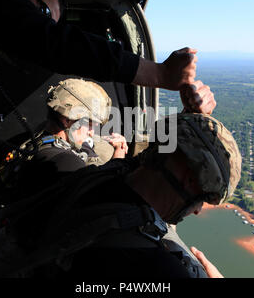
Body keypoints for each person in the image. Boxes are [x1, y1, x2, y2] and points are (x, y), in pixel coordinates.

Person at [0, 0, 211, 277]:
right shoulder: (57, 159)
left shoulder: (40, 145)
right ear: (69, 117)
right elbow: (49, 41)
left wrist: (184, 122)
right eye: (43, 13)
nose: (94, 134)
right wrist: (160, 76)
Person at [51, 113, 241, 279]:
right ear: (189, 180)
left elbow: (158, 157)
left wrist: (188, 128)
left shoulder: (101, 176)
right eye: (203, 199)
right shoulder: (158, 269)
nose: (199, 210)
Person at [0, 78, 129, 193]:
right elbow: (103, 196)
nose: (91, 133)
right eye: (89, 124)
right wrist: (119, 156)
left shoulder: (27, 141)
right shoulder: (66, 162)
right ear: (67, 120)